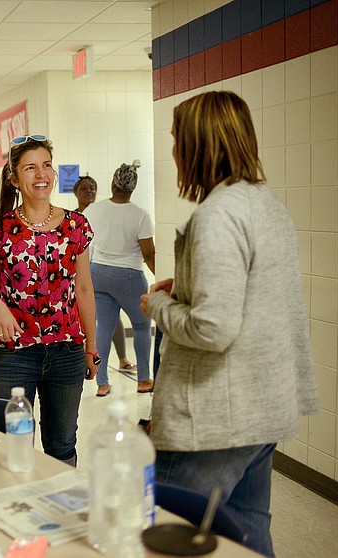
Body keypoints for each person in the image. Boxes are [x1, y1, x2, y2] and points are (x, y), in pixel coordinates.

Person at [139, 91, 317, 557]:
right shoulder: (264, 203)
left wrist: (157, 308)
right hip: (263, 406)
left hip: (217, 418)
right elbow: (257, 290)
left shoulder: (217, 215)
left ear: (198, 144)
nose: (174, 150)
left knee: (171, 534)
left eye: (177, 139)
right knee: (247, 531)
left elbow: (213, 330)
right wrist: (190, 282)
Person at [0, 135, 98, 467]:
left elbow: (84, 289)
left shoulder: (77, 226)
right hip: (12, 355)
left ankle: (60, 512)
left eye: (46, 166)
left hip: (67, 352)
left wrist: (91, 346)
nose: (41, 174)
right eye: (30, 168)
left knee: (62, 445)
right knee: (13, 447)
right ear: (14, 178)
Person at [85, 162, 155, 397]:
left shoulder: (93, 210)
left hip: (98, 274)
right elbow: (148, 254)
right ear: (132, 189)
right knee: (142, 326)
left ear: (112, 184)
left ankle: (102, 383)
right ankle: (144, 380)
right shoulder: (140, 215)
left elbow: (82, 244)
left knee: (103, 329)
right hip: (128, 277)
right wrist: (160, 277)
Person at [73, 175, 135, 373]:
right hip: (78, 276)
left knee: (111, 316)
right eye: (84, 188)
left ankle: (122, 358)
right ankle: (80, 355)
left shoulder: (103, 214)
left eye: (92, 188)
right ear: (76, 193)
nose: (89, 191)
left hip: (100, 271)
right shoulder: (71, 220)